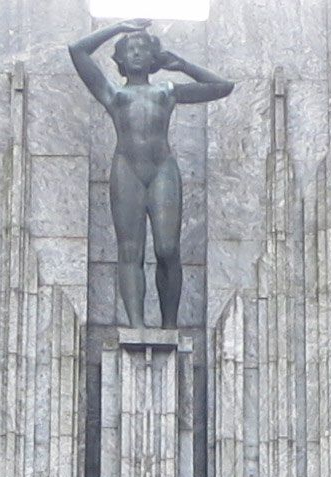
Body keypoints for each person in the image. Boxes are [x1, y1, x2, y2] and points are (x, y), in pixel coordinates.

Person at [67, 21, 232, 327]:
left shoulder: (166, 91)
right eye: (130, 49)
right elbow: (77, 50)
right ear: (120, 59)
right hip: (127, 169)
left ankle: (169, 324)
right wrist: (117, 27)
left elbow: (223, 87)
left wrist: (182, 64)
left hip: (162, 169)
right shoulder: (112, 93)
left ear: (154, 57)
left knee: (167, 248)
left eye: (144, 48)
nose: (138, 53)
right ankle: (137, 326)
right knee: (130, 250)